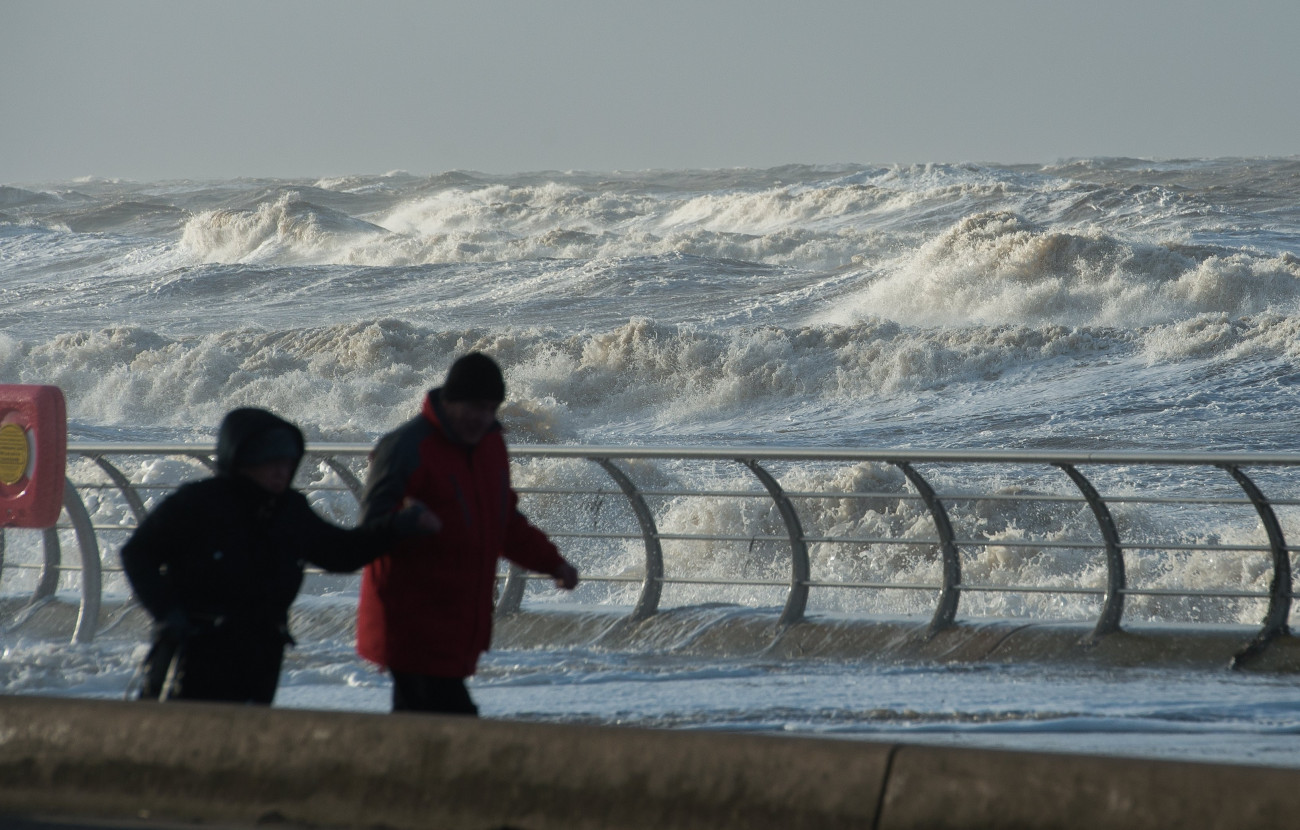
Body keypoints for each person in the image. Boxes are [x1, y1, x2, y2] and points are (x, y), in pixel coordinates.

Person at [121, 407, 436, 704]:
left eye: (287, 462)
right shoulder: (197, 503)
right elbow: (137, 554)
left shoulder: (289, 511)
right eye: (269, 461)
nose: (281, 471)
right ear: (241, 459)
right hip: (199, 649)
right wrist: (166, 612)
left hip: (262, 654)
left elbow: (341, 553)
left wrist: (397, 526)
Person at [357, 351, 579, 715]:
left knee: (426, 738)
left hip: (458, 620)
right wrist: (409, 521)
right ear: (450, 401)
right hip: (411, 622)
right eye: (476, 407)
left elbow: (504, 521)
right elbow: (370, 530)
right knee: (450, 730)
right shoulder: (406, 447)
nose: (484, 418)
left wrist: (553, 564)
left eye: (492, 408)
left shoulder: (490, 445)